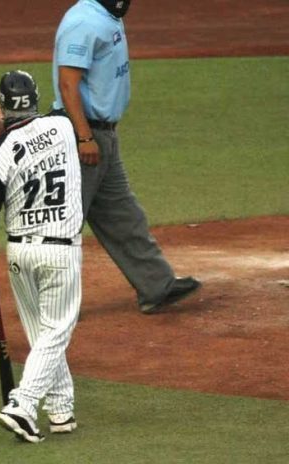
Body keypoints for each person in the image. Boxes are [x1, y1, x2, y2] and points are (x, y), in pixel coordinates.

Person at [52, 0, 201, 314]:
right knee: (65, 224)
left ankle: (156, 286)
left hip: (103, 135)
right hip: (84, 134)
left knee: (123, 215)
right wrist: (84, 136)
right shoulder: (84, 21)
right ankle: (50, 304)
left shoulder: (108, 15)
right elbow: (68, 84)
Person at [0, 70, 83, 443]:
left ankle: (61, 410)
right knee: (56, 330)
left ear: (3, 107)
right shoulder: (64, 127)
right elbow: (66, 111)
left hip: (20, 250)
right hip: (60, 248)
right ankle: (22, 404)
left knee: (42, 332)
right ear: (36, 98)